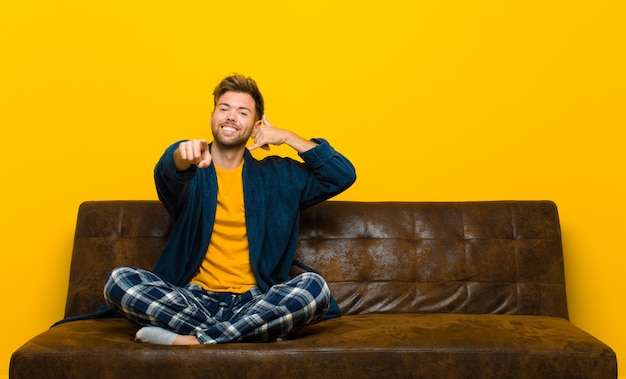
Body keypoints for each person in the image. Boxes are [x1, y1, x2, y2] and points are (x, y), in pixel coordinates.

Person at [103, 74, 356, 345]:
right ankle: (248, 333)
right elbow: (168, 175)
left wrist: (289, 137)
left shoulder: (278, 176)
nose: (231, 117)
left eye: (242, 112)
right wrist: (179, 156)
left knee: (314, 289)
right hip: (192, 299)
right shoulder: (192, 169)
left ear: (257, 124)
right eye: (224, 108)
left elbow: (341, 174)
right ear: (213, 116)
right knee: (119, 281)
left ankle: (190, 341)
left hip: (256, 300)